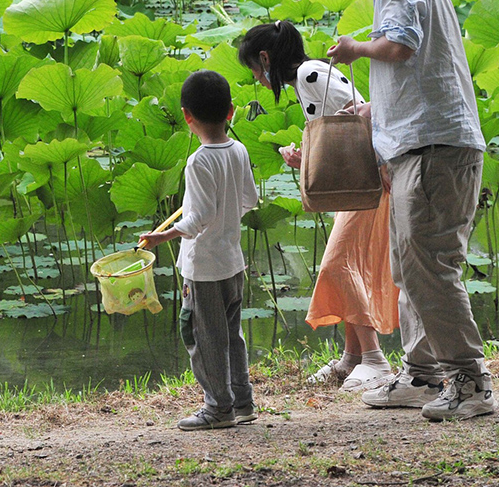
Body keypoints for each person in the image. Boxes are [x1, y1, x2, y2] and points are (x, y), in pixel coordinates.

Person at [322, 0, 495, 422]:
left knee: (431, 267)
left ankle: (470, 380)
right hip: (419, 143)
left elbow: (399, 45)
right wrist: (375, 111)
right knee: (411, 266)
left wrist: (354, 49)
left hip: (435, 148)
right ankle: (424, 374)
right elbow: (422, 66)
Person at [238, 21, 399, 393]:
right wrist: (303, 156)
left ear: (265, 58)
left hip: (371, 181)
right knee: (349, 262)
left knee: (339, 263)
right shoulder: (303, 82)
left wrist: (383, 165)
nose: (258, 79)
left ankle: (375, 359)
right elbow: (335, 131)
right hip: (354, 185)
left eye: (255, 70)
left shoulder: (311, 73)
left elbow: (364, 112)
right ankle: (351, 358)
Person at [140, 70, 259, 431]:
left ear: (186, 116)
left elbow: (200, 217)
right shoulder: (238, 150)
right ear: (231, 111)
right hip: (233, 263)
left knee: (201, 335)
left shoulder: (198, 161)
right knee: (231, 334)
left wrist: (165, 236)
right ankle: (242, 402)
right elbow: (250, 200)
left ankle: (217, 408)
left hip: (204, 268)